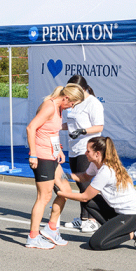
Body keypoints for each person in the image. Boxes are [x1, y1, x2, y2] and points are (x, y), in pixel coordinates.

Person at [59, 136, 136, 251]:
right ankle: (112, 230)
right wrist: (65, 176)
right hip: (118, 212)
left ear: (97, 154)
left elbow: (85, 197)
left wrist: (62, 193)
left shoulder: (105, 171)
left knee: (96, 243)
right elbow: (85, 177)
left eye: (88, 151)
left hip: (133, 215)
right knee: (91, 203)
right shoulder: (96, 164)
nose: (85, 153)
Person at [25, 84, 85, 249]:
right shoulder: (50, 106)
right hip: (42, 157)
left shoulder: (59, 108)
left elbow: (53, 132)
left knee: (65, 191)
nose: (71, 107)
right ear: (66, 98)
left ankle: (51, 229)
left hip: (52, 156)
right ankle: (33, 237)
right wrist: (33, 154)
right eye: (72, 103)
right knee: (43, 198)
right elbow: (31, 128)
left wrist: (58, 151)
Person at [62, 75, 104, 233]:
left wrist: (82, 131)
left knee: (85, 183)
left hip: (87, 148)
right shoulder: (75, 103)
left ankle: (93, 219)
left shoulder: (93, 103)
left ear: (82, 89)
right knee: (79, 184)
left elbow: (99, 126)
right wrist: (57, 127)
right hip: (73, 147)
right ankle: (83, 218)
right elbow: (71, 124)